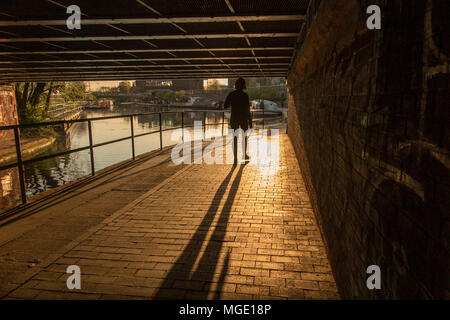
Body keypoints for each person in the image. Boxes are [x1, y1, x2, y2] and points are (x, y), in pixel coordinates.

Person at [224, 78, 253, 163]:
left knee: (235, 138)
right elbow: (248, 110)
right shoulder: (245, 95)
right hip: (243, 118)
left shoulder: (231, 94)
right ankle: (244, 154)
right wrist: (250, 122)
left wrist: (232, 103)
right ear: (244, 85)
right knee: (244, 137)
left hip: (234, 118)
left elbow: (225, 106)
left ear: (235, 85)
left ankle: (235, 158)